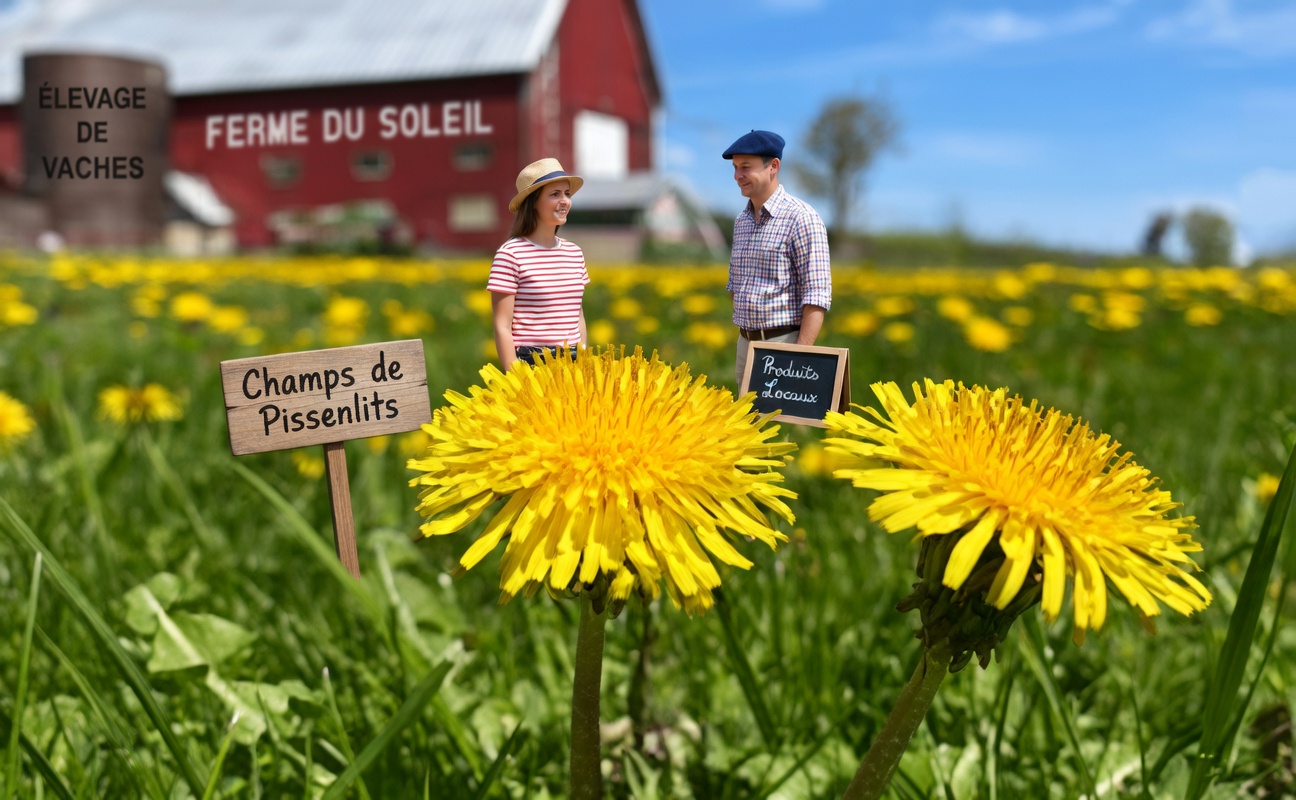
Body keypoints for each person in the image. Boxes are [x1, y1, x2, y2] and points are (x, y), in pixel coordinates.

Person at [722, 129, 832, 387]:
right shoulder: (741, 222)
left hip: (782, 345)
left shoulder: (802, 218)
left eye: (745, 167)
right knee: (745, 425)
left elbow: (817, 295)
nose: (737, 176)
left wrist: (799, 356)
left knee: (776, 426)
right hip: (745, 343)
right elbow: (734, 285)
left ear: (773, 166)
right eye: (736, 168)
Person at [488, 158, 589, 371]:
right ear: (533, 201)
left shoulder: (575, 253)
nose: (565, 201)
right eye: (555, 194)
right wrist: (514, 376)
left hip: (574, 361)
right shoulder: (510, 254)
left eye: (567, 194)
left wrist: (583, 354)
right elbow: (502, 326)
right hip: (533, 363)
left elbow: (577, 314)